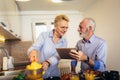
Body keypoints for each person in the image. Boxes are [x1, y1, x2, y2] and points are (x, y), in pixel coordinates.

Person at [27, 14, 69, 80]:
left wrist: (48, 62)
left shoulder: (64, 42)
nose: (65, 30)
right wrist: (33, 51)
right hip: (42, 75)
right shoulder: (44, 35)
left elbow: (57, 56)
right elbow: (34, 47)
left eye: (66, 27)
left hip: (55, 75)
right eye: (62, 27)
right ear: (55, 26)